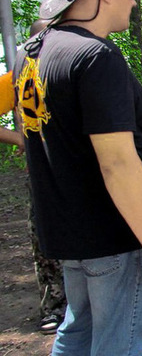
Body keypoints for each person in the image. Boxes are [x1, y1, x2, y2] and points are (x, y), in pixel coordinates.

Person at [12, 0, 142, 355]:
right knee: (117, 343)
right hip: (113, 235)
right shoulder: (94, 56)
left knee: (78, 331)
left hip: (69, 229)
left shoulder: (34, 51)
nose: (134, 2)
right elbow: (118, 165)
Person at [2, 21, 68, 335]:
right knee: (44, 239)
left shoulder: (74, 64)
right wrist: (21, 140)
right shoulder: (19, 73)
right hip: (42, 174)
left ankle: (82, 307)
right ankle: (54, 307)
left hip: (78, 170)